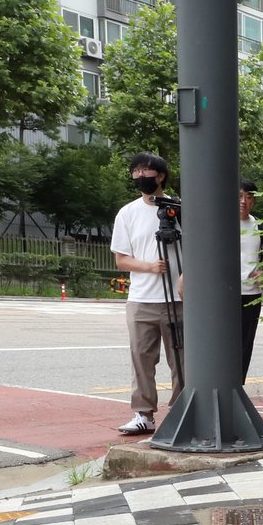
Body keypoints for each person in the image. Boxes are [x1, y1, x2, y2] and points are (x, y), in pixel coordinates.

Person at [111, 151, 182, 436]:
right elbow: (121, 259)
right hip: (141, 299)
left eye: (147, 171)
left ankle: (180, 412)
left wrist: (185, 276)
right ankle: (143, 414)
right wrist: (150, 267)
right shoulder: (127, 213)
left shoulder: (179, 209)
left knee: (182, 360)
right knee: (141, 357)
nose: (141, 176)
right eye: (136, 171)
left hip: (179, 299)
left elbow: (199, 248)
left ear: (161, 175)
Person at [237, 180, 263, 383]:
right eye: (240, 196)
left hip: (251, 294)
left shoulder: (260, 226)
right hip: (224, 294)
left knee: (245, 343)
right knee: (223, 342)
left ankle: (238, 385)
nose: (243, 201)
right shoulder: (220, 223)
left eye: (248, 197)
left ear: (254, 201)